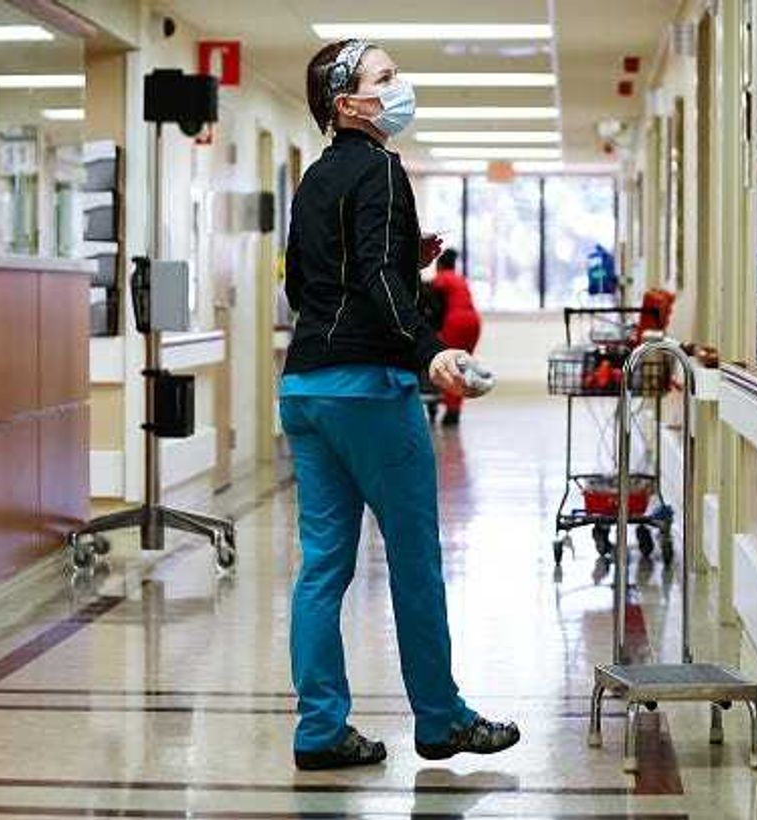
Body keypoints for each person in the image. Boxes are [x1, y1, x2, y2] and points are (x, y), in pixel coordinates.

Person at [279, 38, 521, 771]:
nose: (401, 87)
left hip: (306, 390)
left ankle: (320, 731)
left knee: (323, 567)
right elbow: (381, 293)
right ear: (349, 104)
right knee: (415, 562)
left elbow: (311, 284)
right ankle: (441, 720)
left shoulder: (315, 179)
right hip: (369, 393)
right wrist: (428, 351)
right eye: (386, 78)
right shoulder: (382, 168)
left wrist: (402, 258)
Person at [428, 248, 481, 426]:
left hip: (456, 322)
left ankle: (451, 410)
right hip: (474, 322)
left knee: (449, 366)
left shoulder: (442, 277)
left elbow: (427, 296)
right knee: (462, 367)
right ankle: (455, 409)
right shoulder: (460, 280)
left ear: (440, 265)